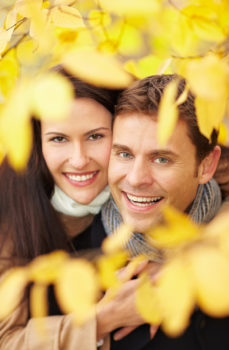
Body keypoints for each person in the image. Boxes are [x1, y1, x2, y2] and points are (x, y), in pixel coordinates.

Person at [0, 68, 146, 350]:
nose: (79, 160)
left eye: (95, 137)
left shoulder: (148, 176)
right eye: (58, 139)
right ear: (37, 144)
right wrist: (102, 320)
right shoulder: (12, 212)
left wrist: (180, 263)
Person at [101, 74, 229, 349]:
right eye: (124, 154)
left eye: (161, 159)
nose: (136, 178)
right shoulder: (69, 256)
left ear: (206, 166)